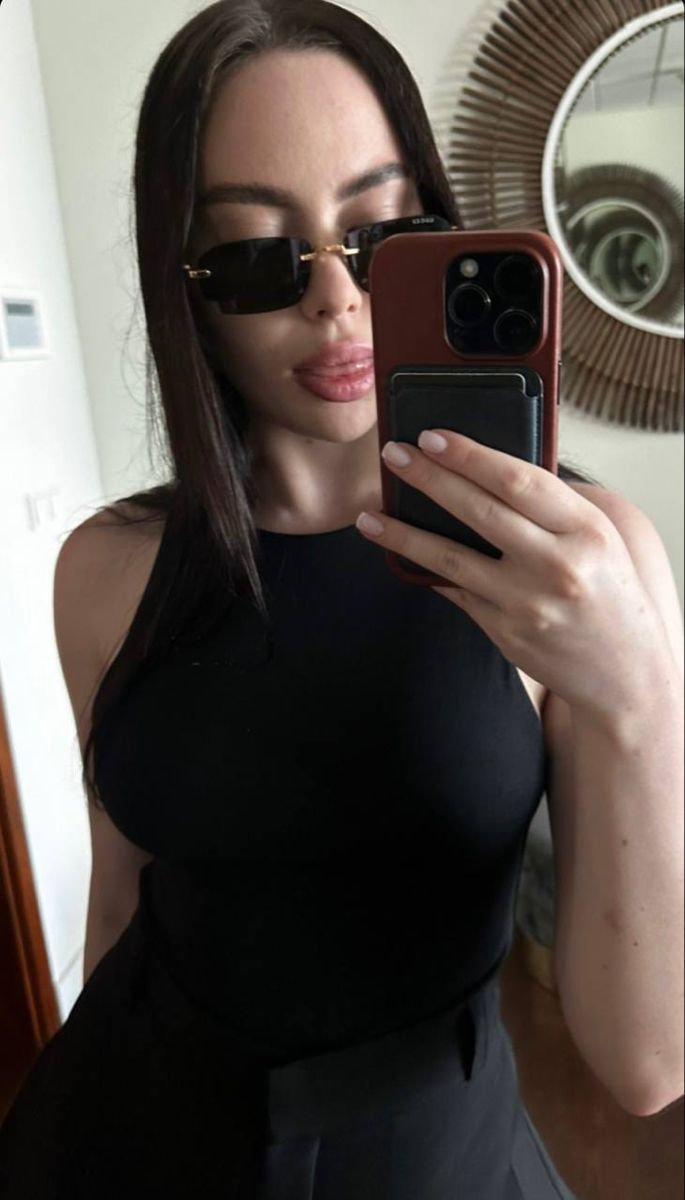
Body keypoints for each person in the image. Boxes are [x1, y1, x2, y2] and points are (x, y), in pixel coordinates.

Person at [1, 2, 683, 1197]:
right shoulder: (104, 568)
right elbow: (123, 893)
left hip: (431, 1152)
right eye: (256, 257)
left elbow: (646, 1066)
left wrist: (634, 699)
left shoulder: (583, 560)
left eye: (384, 236)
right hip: (130, 1134)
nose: (333, 299)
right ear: (187, 292)